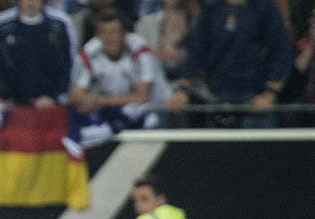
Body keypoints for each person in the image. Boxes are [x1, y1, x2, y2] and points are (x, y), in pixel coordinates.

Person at [164, 0, 292, 128]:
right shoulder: (211, 7)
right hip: (218, 95)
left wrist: (270, 93)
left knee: (256, 146)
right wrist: (183, 88)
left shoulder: (264, 6)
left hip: (255, 97)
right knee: (219, 146)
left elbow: (282, 50)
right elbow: (197, 51)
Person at [67, 9, 169, 146]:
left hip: (156, 104)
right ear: (97, 35)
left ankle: (110, 129)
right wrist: (88, 101)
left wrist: (100, 100)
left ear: (124, 33)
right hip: (113, 104)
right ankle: (106, 129)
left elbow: (143, 96)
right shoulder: (88, 53)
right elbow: (75, 96)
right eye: (104, 32)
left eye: (115, 31)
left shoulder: (139, 49)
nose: (110, 38)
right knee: (76, 110)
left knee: (142, 111)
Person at [0, 0, 77, 109]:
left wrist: (55, 98)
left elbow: (71, 65)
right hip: (9, 107)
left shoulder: (61, 23)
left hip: (50, 108)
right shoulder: (1, 24)